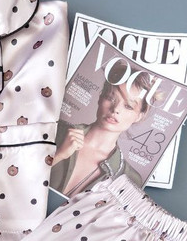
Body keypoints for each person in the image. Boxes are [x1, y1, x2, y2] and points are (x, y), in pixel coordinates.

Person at [50, 61, 152, 197]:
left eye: (128, 106)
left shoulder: (128, 177)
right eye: (111, 98)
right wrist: (59, 155)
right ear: (100, 98)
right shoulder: (55, 130)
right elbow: (22, 175)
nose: (115, 109)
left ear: (139, 116)